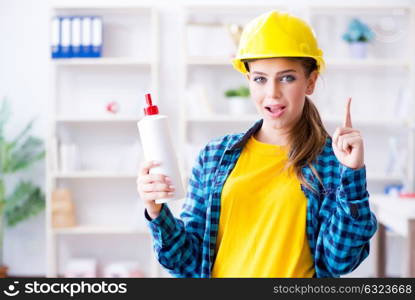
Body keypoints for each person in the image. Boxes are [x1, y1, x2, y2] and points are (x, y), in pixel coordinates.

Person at [136, 10, 377, 278]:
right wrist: (156, 211)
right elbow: (186, 262)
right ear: (248, 81)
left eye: (287, 77)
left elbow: (340, 262)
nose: (272, 93)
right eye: (260, 78)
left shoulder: (332, 161)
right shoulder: (215, 156)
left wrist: (353, 176)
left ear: (310, 82)